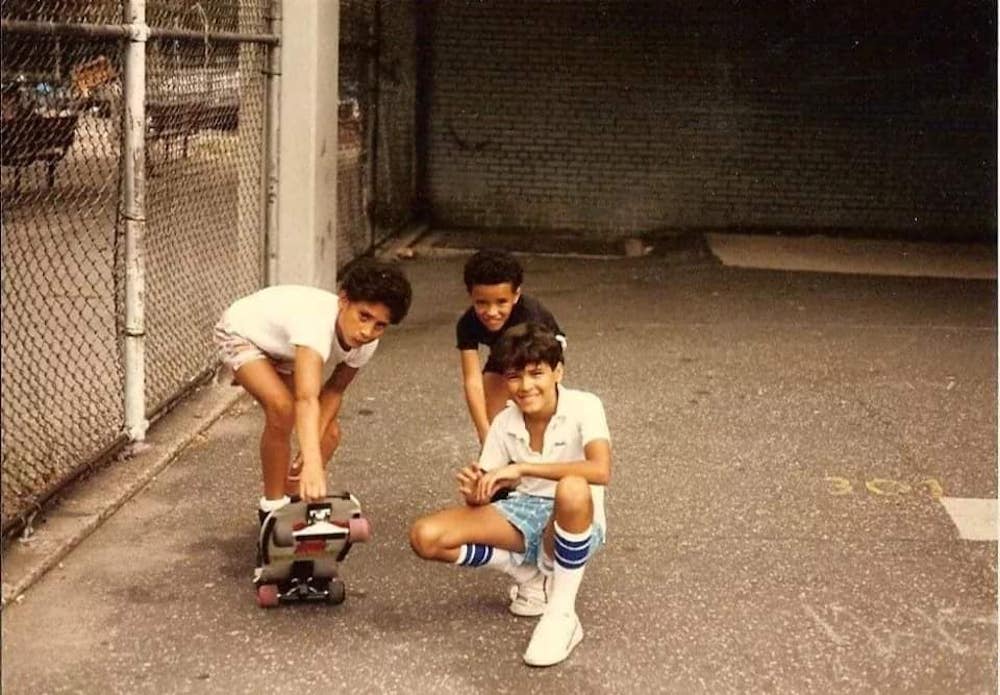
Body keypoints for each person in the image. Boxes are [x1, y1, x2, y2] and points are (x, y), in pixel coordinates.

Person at [410, 323, 611, 667]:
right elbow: (490, 485)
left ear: (558, 372)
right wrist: (477, 494)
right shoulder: (505, 421)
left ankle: (562, 615)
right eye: (515, 376)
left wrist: (522, 469)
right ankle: (529, 577)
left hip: (574, 516)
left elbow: (600, 470)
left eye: (537, 374)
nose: (526, 386)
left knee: (573, 487)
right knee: (426, 537)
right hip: (523, 512)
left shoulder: (585, 406)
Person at [213, 258, 412, 525]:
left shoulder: (366, 343)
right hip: (241, 334)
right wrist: (314, 464)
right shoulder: (316, 325)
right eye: (363, 316)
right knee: (282, 408)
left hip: (285, 349)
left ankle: (294, 505)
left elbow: (335, 390)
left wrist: (311, 453)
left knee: (328, 435)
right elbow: (306, 399)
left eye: (380, 325)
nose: (367, 331)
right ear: (343, 301)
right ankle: (271, 510)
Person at [455, 249, 565, 444]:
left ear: (516, 295)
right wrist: (485, 434)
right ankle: (500, 457)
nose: (492, 312)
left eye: (501, 302)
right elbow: (472, 381)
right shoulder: (467, 323)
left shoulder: (531, 317)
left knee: (533, 403)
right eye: (481, 303)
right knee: (493, 414)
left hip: (541, 350)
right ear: (470, 295)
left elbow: (537, 371)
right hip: (503, 350)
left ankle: (542, 452)